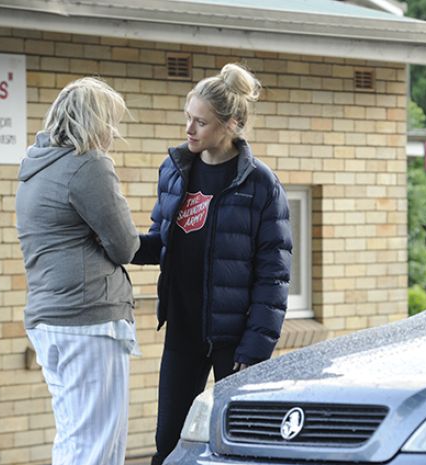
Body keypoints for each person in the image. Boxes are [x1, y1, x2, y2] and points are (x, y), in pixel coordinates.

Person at [133, 63, 292, 464]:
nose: (189, 129)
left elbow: (273, 275)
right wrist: (115, 243)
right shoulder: (175, 170)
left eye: (200, 122)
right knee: (168, 441)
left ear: (231, 124)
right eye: (187, 117)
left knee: (237, 443)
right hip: (184, 331)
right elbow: (162, 243)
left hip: (235, 343)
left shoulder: (261, 185)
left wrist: (256, 346)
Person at [15, 77, 140, 465]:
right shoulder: (88, 164)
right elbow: (125, 244)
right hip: (89, 322)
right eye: (110, 121)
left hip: (50, 320)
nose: (112, 133)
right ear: (94, 122)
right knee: (99, 446)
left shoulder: (34, 169)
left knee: (74, 440)